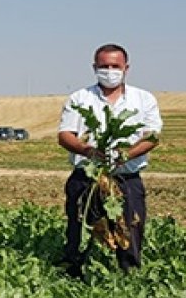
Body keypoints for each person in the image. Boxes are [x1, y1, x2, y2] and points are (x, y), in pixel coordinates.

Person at [57, 44, 162, 276]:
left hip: (126, 179)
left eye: (115, 66)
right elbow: (65, 135)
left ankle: (128, 278)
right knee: (79, 232)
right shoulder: (80, 98)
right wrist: (87, 151)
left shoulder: (143, 99)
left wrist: (127, 154)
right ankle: (75, 278)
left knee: (130, 231)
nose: (110, 70)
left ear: (126, 68)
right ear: (95, 67)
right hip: (87, 179)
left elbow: (152, 136)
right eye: (104, 66)